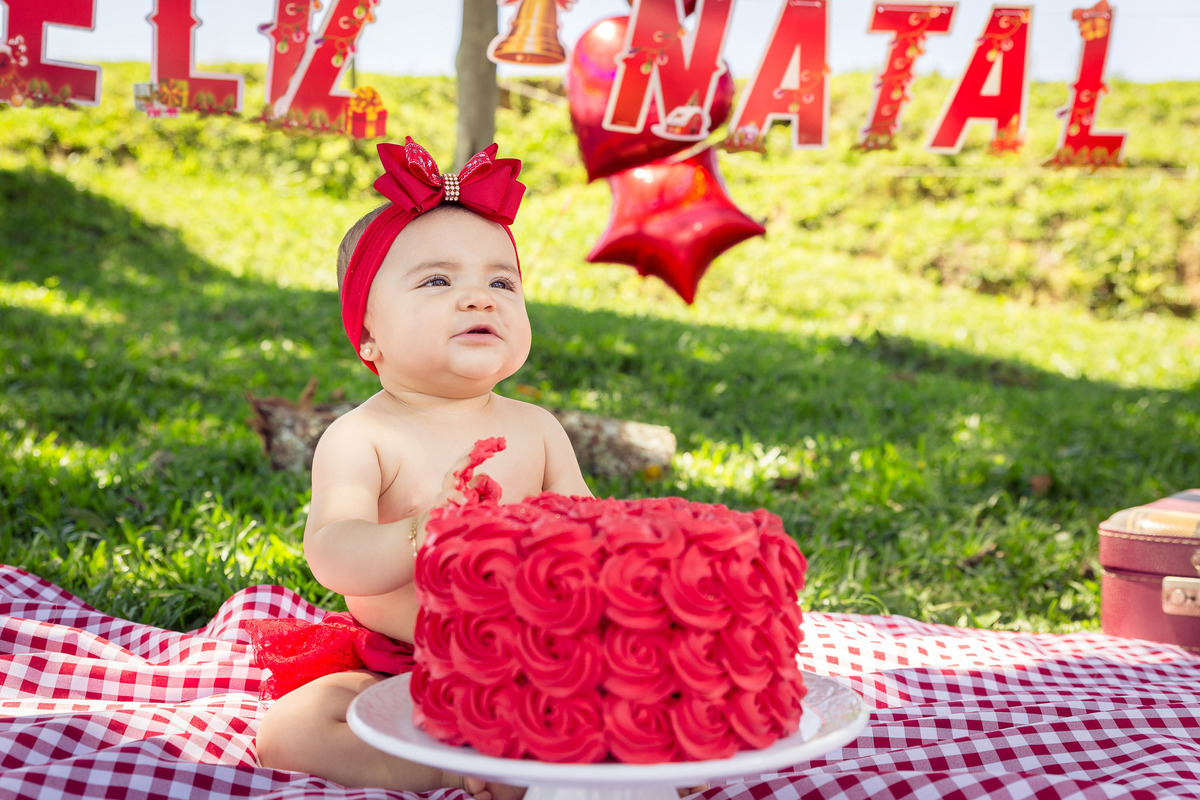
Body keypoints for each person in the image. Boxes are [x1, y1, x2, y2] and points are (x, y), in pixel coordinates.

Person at [250, 137, 592, 799]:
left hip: (537, 663)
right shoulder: (363, 436)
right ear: (368, 335)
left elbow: (592, 530)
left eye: (501, 281)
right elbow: (334, 554)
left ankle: (627, 755)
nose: (478, 298)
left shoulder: (537, 430)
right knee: (293, 729)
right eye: (438, 280)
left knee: (642, 684)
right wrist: (424, 530)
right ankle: (449, 766)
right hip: (405, 670)